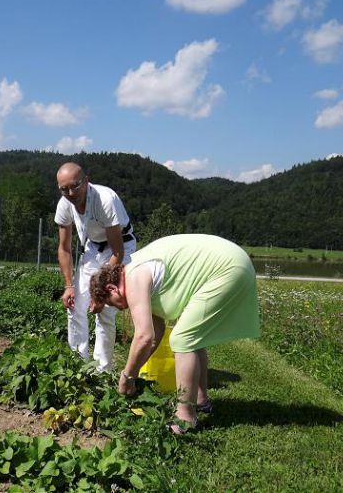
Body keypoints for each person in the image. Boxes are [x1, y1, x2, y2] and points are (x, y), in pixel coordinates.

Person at [89, 234, 260, 434]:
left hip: (227, 268)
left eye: (111, 303)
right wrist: (133, 371)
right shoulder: (137, 275)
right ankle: (200, 401)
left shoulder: (134, 277)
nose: (117, 309)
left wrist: (127, 376)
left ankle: (185, 417)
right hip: (233, 261)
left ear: (112, 288)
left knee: (182, 338)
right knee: (192, 336)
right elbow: (155, 333)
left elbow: (144, 337)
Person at [54, 162, 136, 372]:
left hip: (119, 247)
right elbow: (64, 249)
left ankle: (102, 371)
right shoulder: (64, 204)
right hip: (92, 247)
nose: (70, 193)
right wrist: (69, 285)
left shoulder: (105, 200)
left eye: (75, 186)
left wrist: (99, 296)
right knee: (75, 304)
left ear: (86, 181)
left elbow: (117, 253)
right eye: (64, 189)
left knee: (105, 311)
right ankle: (78, 365)